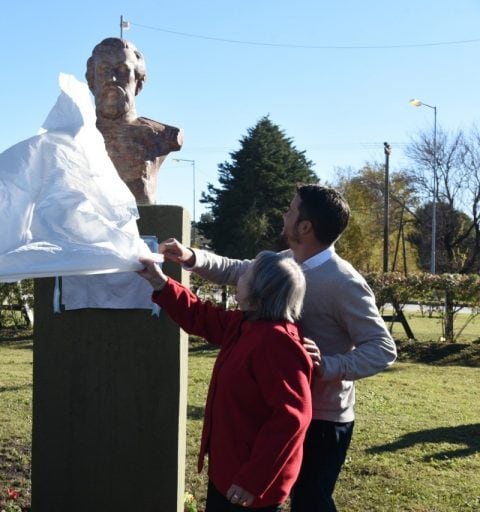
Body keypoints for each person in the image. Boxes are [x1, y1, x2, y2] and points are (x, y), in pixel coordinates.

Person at [160, 184, 398, 511]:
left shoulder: (345, 282)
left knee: (310, 503)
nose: (284, 215)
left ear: (305, 226)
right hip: (273, 407)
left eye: (290, 210)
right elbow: (236, 269)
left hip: (323, 420)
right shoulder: (284, 262)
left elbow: (383, 348)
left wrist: (328, 366)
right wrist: (192, 257)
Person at [137, 250, 312, 511]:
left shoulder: (277, 342)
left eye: (246, 275)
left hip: (249, 488)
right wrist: (160, 282)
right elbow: (199, 316)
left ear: (259, 290)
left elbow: (292, 419)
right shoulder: (245, 324)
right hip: (230, 472)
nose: (239, 278)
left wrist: (252, 481)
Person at [86, 37, 183, 204]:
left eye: (122, 70)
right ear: (92, 81)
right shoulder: (75, 139)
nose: (112, 78)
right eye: (103, 70)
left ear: (139, 81)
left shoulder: (163, 137)